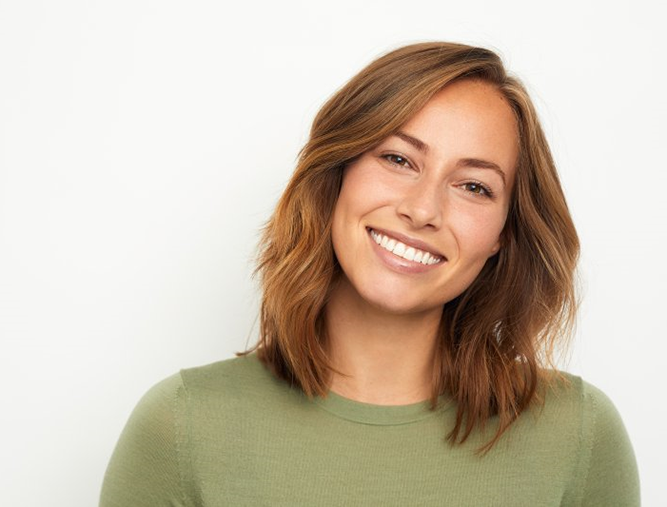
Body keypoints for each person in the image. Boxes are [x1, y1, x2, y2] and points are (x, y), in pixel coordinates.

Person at [99, 41, 640, 506]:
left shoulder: (578, 436)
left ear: (504, 234)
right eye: (398, 159)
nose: (423, 209)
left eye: (474, 186)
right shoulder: (183, 426)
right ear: (336, 174)